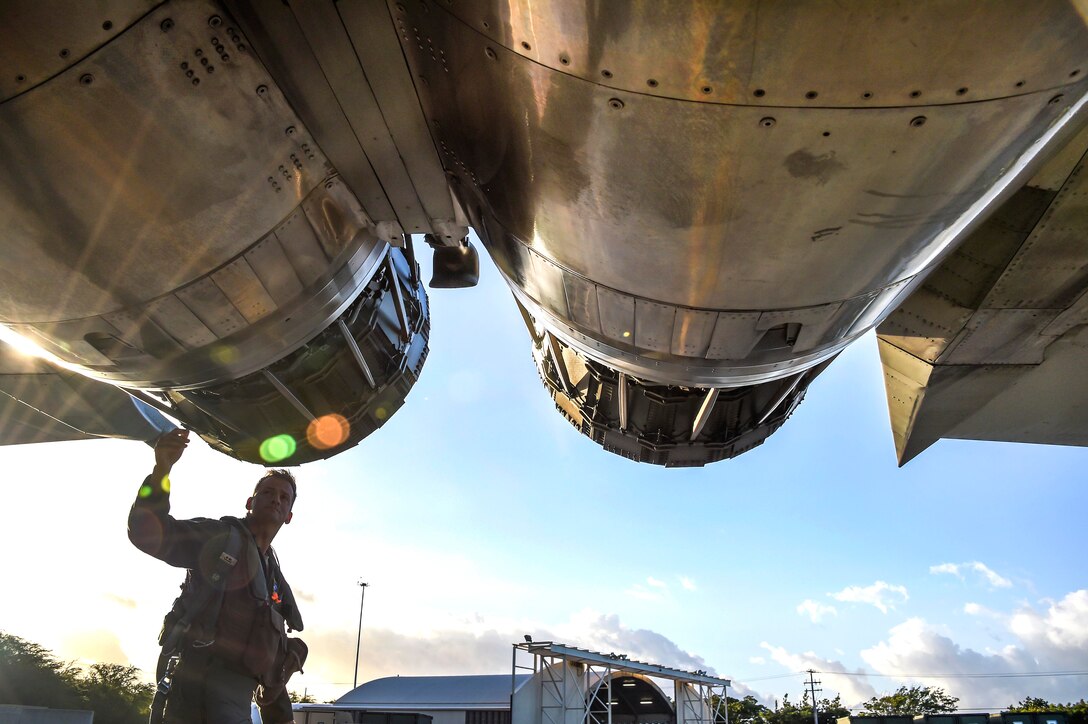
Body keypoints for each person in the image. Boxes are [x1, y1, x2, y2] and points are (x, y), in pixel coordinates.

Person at [129, 428, 306, 723]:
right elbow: (147, 533)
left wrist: (282, 717)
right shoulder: (221, 538)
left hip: (236, 698)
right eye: (267, 492)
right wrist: (161, 471)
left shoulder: (273, 576)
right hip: (195, 689)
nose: (276, 499)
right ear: (250, 503)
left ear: (288, 516)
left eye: (284, 497)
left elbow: (271, 653)